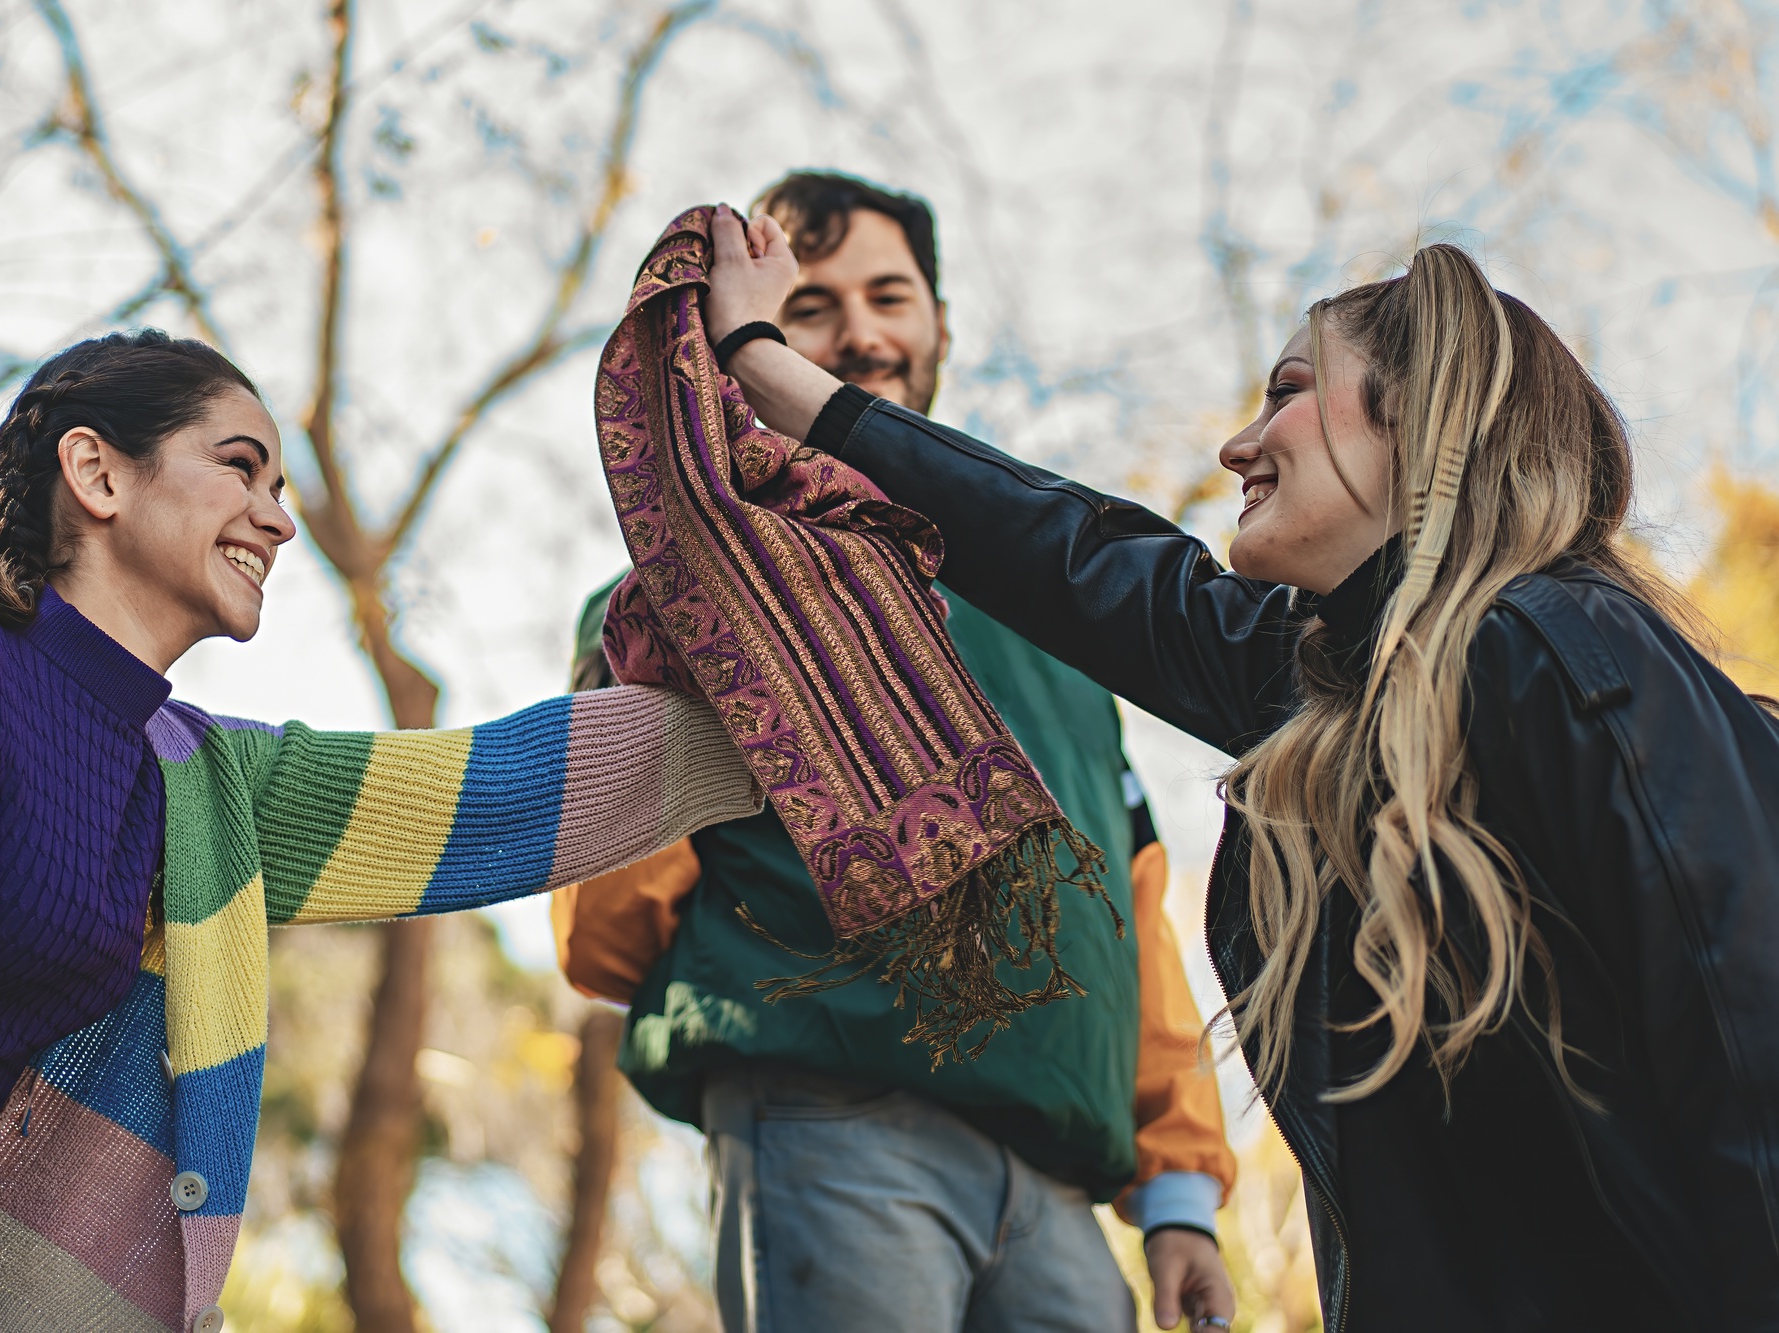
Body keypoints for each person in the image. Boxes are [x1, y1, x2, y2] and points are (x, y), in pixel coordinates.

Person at [700, 206, 1779, 1331]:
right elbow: (1081, 561)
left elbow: (1745, 1033)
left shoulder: (1557, 649)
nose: (1236, 443)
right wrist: (766, 372)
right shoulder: (1349, 699)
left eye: (1288, 388)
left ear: (1417, 411)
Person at [0, 330, 764, 1333]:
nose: (278, 520)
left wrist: (807, 706)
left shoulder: (195, 780)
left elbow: (496, 798)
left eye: (282, 486)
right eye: (240, 467)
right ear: (96, 473)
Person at [552, 173, 1238, 1333]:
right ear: (741, 339)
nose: (861, 332)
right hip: (831, 1114)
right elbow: (608, 929)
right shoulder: (677, 599)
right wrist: (669, 650)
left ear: (937, 330)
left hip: (1061, 1189)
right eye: (808, 305)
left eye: (890, 296)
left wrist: (1177, 1193)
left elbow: (1131, 918)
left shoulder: (1053, 628)